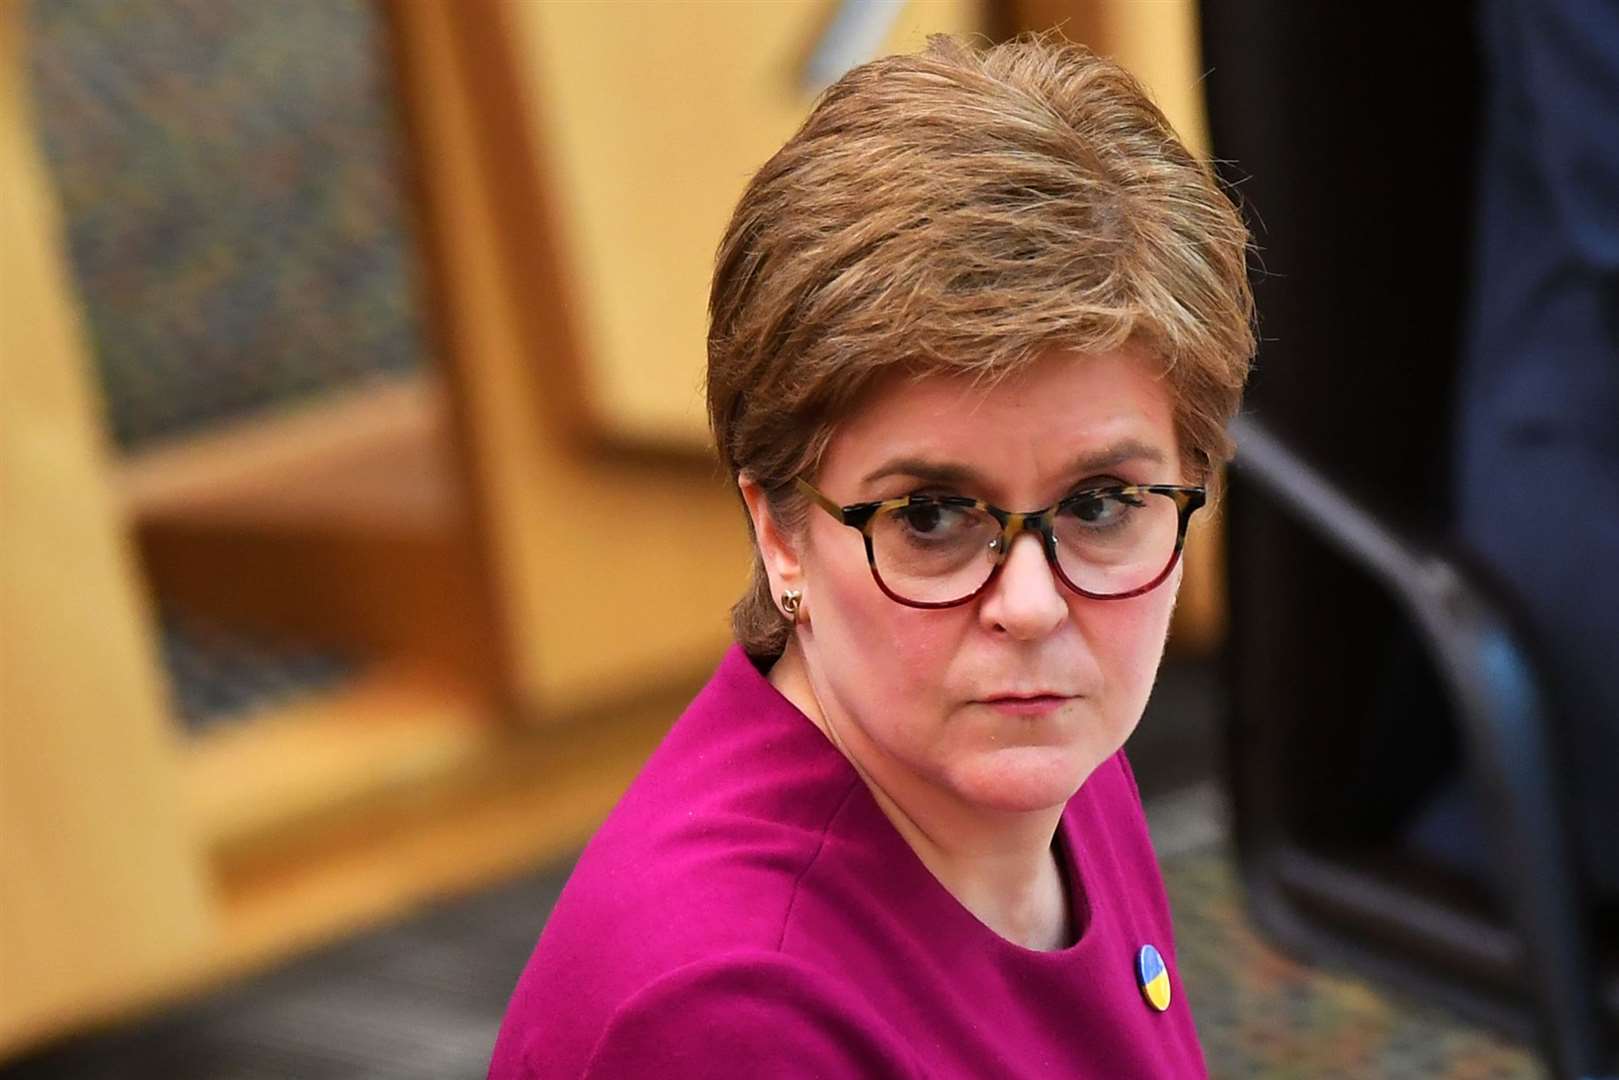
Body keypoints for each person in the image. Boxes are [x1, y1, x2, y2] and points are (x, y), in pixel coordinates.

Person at [488, 33, 1254, 1079]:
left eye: (1101, 503)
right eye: (932, 517)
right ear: (778, 531)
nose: (1030, 605)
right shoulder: (730, 1020)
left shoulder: (1039, 748)